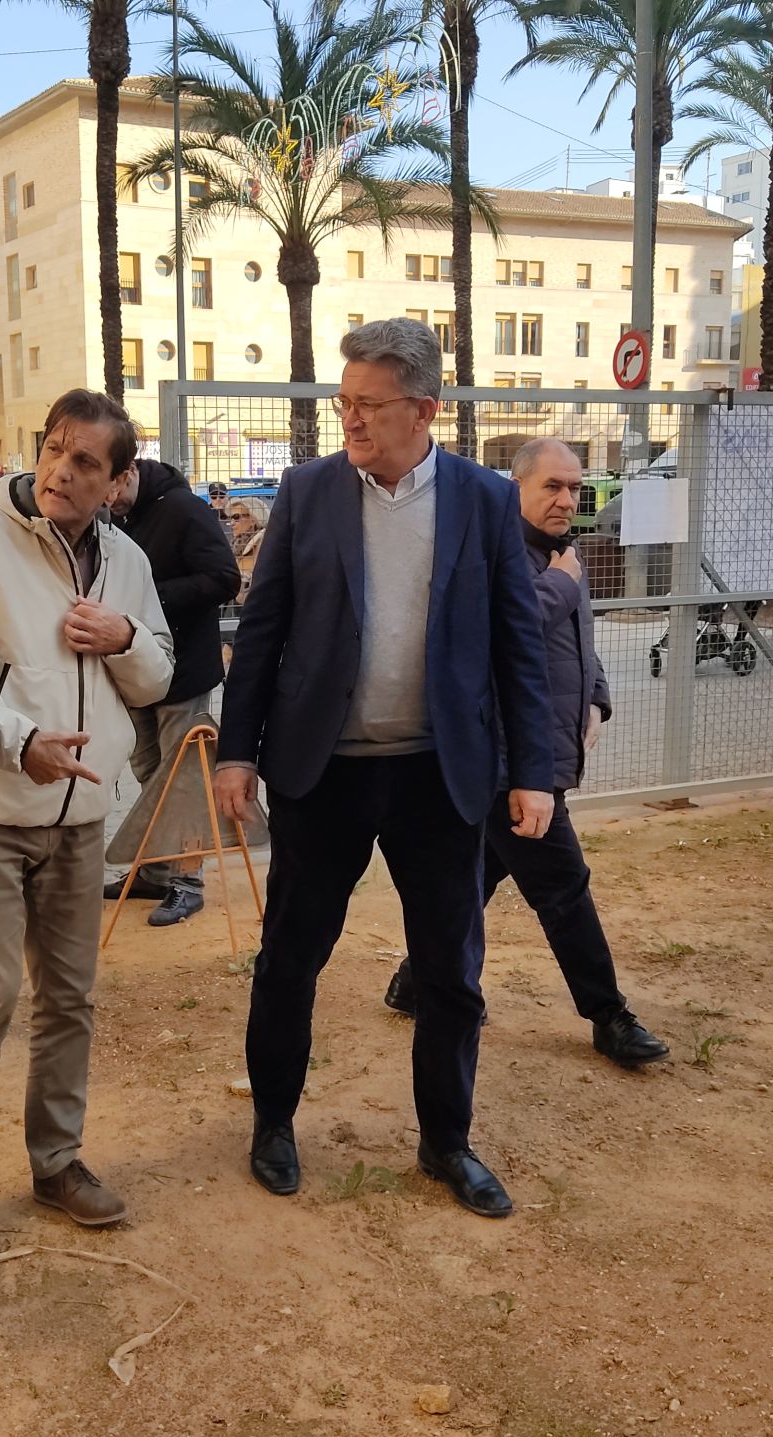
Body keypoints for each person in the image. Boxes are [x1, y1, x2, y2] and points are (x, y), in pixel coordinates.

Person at [215, 318, 554, 1220]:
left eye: (368, 405)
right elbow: (264, 631)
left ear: (424, 409)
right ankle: (275, 1124)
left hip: (440, 778)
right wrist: (237, 750)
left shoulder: (484, 501)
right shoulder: (308, 491)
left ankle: (448, 1144)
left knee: (451, 970)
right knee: (292, 956)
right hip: (321, 774)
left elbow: (519, 646)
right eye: (345, 402)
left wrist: (536, 771)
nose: (350, 419)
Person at [0, 388, 173, 1256]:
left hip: (80, 814)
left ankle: (57, 1162)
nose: (62, 470)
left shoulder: (127, 561)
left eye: (87, 462)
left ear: (118, 481)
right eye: (56, 448)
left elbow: (160, 676)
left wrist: (123, 635)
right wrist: (22, 742)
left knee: (71, 1000)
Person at [382, 438, 667, 1068]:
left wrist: (596, 699)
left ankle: (415, 979)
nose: (567, 499)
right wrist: (562, 590)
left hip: (546, 756)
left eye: (575, 487)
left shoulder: (565, 556)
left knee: (480, 876)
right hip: (509, 763)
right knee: (564, 888)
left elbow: (579, 643)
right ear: (516, 488)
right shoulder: (493, 553)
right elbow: (488, 640)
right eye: (553, 487)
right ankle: (609, 1015)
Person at [104, 456, 241, 926]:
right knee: (148, 772)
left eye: (109, 487)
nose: (104, 500)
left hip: (183, 672)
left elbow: (225, 578)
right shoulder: (121, 516)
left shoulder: (184, 509)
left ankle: (188, 881)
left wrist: (151, 600)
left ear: (127, 473)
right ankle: (155, 870)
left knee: (182, 779)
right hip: (135, 668)